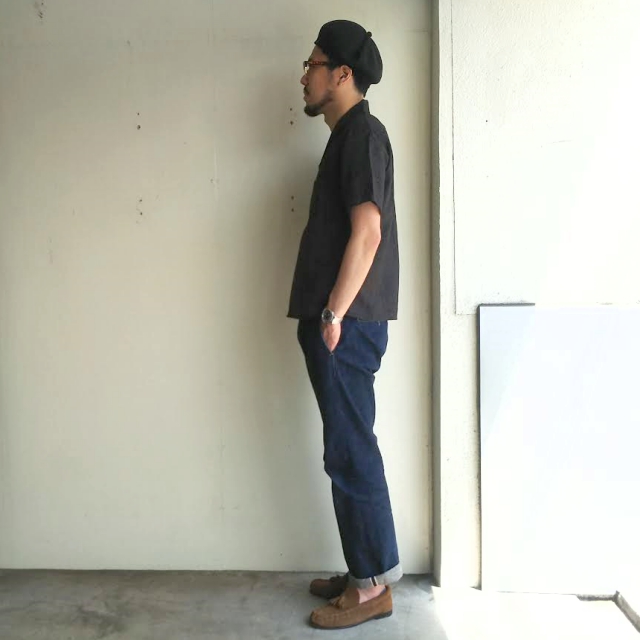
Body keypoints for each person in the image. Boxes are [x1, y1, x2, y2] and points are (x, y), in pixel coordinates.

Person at [288, 19, 402, 631]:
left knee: (350, 449)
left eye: (313, 64)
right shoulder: (349, 137)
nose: (304, 77)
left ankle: (371, 588)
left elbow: (368, 232)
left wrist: (332, 313)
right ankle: (366, 571)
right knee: (348, 446)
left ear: (342, 73)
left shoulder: (361, 135)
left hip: (346, 323)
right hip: (342, 321)